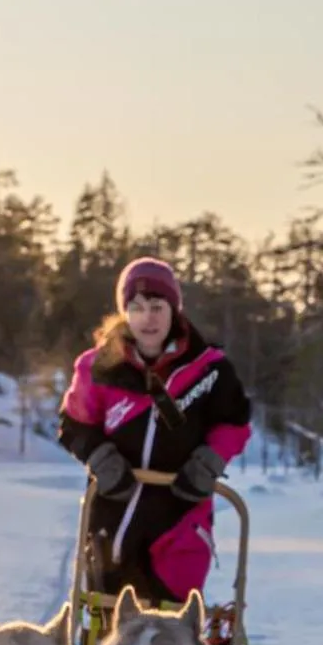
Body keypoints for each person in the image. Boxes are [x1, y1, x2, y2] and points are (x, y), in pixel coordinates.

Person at [58, 257, 252, 606]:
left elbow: (234, 423)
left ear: (174, 310)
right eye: (138, 307)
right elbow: (75, 424)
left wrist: (208, 463)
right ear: (125, 312)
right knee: (110, 613)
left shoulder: (209, 370)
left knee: (174, 613)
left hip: (181, 508)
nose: (149, 317)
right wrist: (102, 458)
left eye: (157, 306)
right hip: (115, 506)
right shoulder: (98, 367)